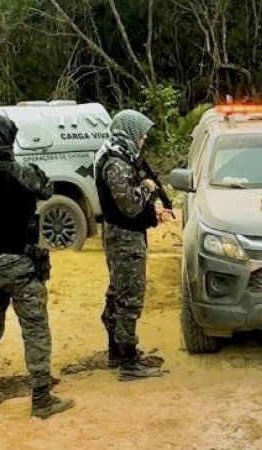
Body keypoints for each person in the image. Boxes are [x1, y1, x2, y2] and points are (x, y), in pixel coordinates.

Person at [0, 114, 74, 419]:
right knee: (34, 329)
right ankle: (42, 400)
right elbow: (45, 188)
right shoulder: (13, 170)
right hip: (18, 263)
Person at [94, 109, 172, 381]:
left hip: (122, 234)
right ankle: (128, 361)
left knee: (119, 291)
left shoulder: (119, 155)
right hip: (125, 237)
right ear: (129, 132)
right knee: (129, 296)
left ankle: (118, 351)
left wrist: (152, 214)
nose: (144, 137)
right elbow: (129, 205)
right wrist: (148, 187)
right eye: (141, 132)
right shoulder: (116, 162)